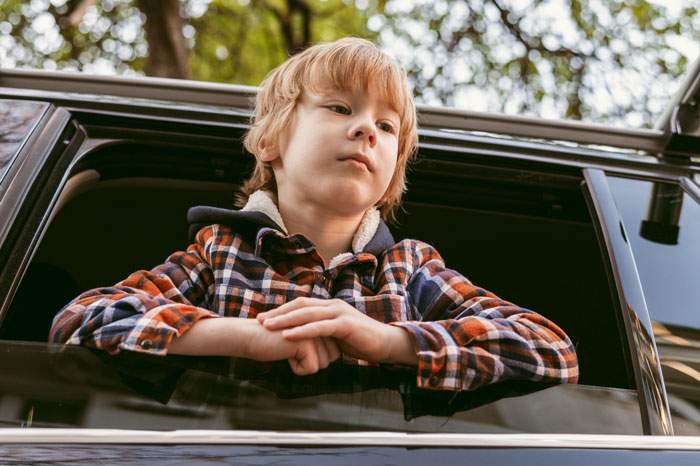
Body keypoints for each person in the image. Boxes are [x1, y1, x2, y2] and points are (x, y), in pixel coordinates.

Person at [50, 38, 578, 391]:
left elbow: (553, 350)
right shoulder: (220, 254)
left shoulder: (410, 271)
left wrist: (387, 340)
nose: (368, 130)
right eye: (341, 108)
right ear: (270, 139)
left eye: (388, 126)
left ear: (392, 172)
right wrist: (245, 338)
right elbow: (80, 319)